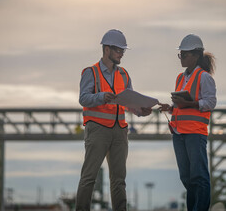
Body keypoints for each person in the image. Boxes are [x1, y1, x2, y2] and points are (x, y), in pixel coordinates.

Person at [76, 29, 152, 211]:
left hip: (120, 131)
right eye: (119, 50)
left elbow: (129, 103)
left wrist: (141, 111)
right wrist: (101, 97)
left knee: (119, 180)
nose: (121, 54)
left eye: (123, 51)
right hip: (98, 130)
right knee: (89, 177)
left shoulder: (124, 74)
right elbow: (83, 98)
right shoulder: (91, 72)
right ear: (107, 49)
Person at [159, 34, 217, 211]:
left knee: (199, 177)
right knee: (187, 177)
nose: (181, 58)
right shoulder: (180, 78)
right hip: (179, 133)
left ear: (196, 55)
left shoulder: (204, 77)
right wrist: (170, 107)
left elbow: (211, 102)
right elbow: (181, 106)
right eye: (180, 54)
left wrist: (190, 103)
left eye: (184, 54)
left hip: (195, 133)